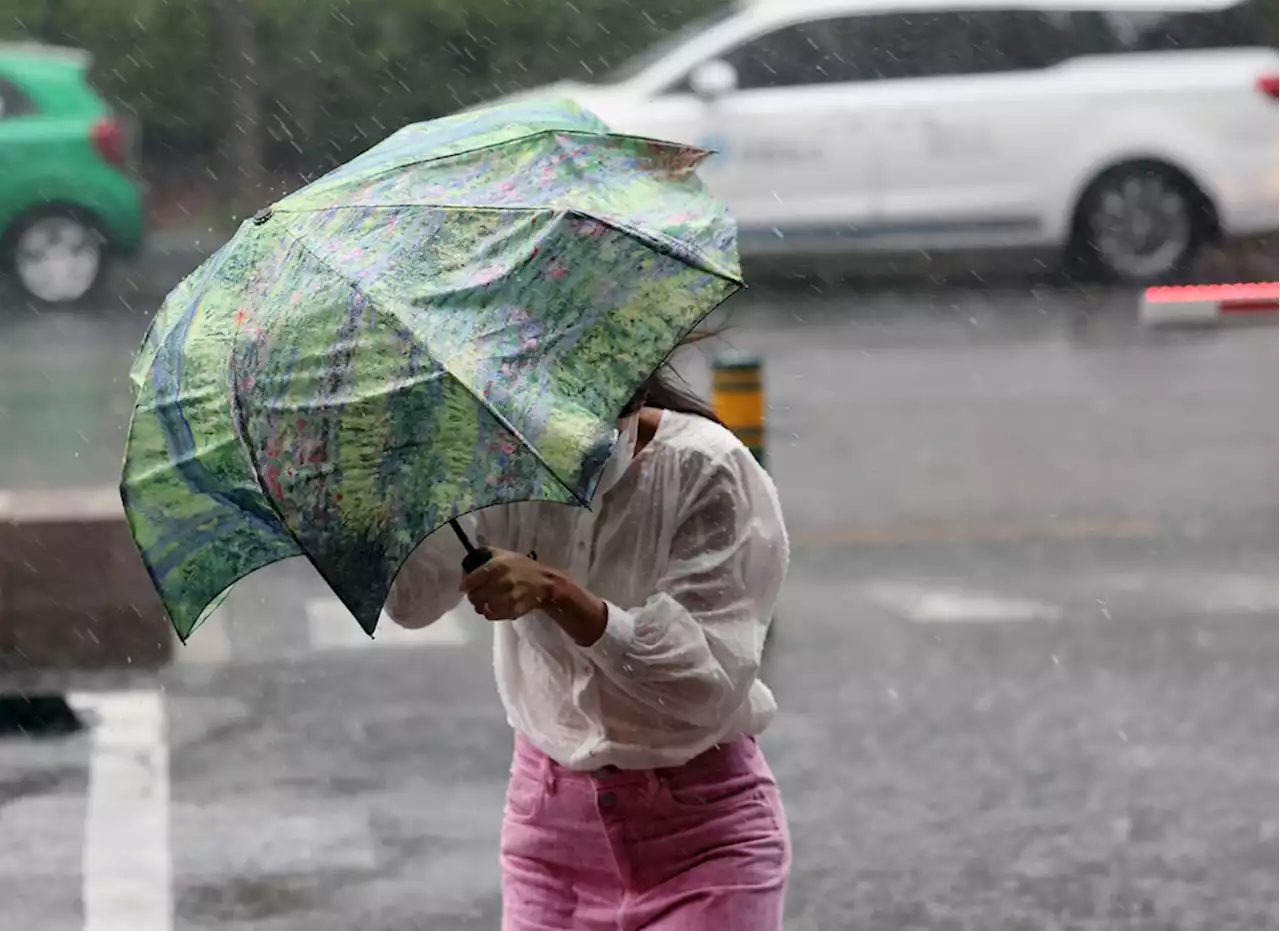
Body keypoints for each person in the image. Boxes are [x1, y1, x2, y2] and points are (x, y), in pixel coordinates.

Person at [386, 357, 791, 931]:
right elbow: (414, 602)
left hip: (701, 837)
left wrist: (559, 594)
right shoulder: (492, 459)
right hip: (550, 840)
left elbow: (703, 686)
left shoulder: (706, 467)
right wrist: (410, 479)